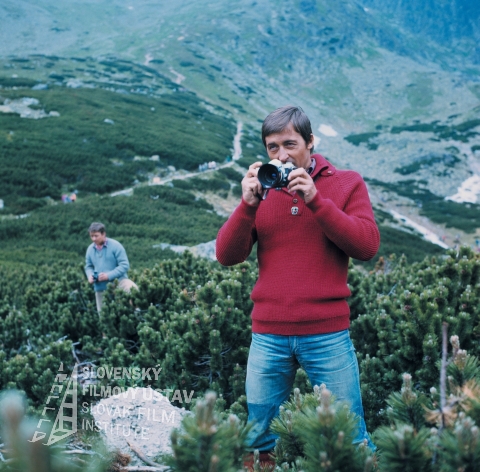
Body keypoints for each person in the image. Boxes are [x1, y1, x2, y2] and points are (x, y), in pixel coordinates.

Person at [216, 106, 380, 465]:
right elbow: (227, 255)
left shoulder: (346, 183)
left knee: (349, 437)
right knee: (259, 440)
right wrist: (246, 205)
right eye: (272, 147)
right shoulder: (264, 189)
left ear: (310, 142)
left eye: (290, 144)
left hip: (328, 334)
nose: (282, 155)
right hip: (268, 334)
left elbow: (367, 246)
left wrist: (315, 200)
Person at [85, 222, 138, 314]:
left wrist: (108, 275)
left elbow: (124, 265)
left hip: (119, 281)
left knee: (133, 290)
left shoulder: (116, 246)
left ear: (103, 234)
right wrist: (90, 276)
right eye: (91, 236)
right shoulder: (90, 249)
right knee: (104, 315)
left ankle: (135, 314)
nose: (93, 239)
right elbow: (88, 266)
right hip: (100, 287)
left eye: (96, 236)